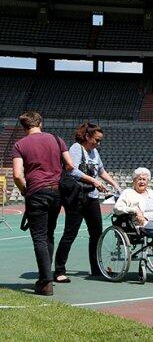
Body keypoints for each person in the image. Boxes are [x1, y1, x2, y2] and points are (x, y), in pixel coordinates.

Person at [11, 111, 75, 295]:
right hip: (56, 192)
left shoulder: (20, 144)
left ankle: (45, 281)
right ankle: (45, 276)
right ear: (40, 123)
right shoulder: (57, 139)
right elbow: (70, 165)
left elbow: (17, 174)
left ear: (24, 127)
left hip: (36, 191)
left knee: (39, 237)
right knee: (49, 234)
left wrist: (24, 190)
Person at [54, 122, 119, 282]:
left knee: (97, 234)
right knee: (70, 233)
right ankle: (59, 271)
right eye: (96, 140)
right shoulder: (76, 148)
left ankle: (96, 269)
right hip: (76, 197)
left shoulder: (94, 151)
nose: (98, 143)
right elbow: (72, 169)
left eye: (100, 140)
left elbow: (101, 171)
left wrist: (115, 184)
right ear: (87, 136)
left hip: (92, 198)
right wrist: (93, 181)